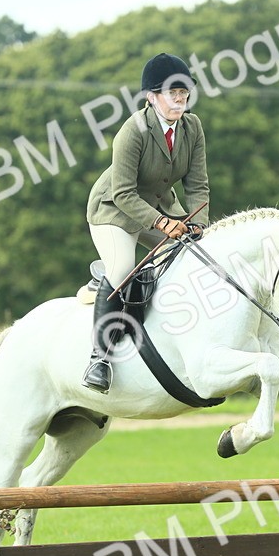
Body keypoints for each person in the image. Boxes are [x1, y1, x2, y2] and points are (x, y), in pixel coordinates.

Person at [81, 52, 211, 393]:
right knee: (124, 265)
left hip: (159, 208)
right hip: (114, 211)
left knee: (195, 254)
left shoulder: (192, 127)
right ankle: (99, 357)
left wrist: (199, 224)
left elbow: (197, 185)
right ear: (152, 97)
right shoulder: (132, 131)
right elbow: (123, 193)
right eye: (172, 92)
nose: (180, 98)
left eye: (184, 92)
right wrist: (162, 223)